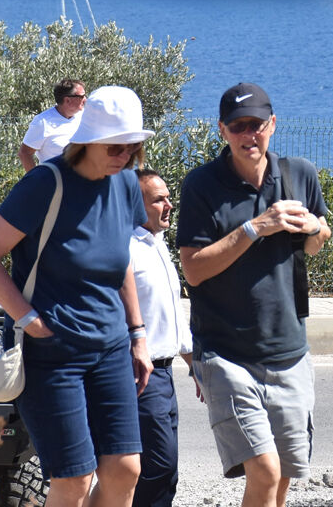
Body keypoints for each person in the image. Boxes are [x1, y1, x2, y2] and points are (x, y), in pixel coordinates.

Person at [0, 86, 156, 507]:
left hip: (110, 347)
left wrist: (138, 334)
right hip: (52, 354)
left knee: (126, 469)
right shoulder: (45, 183)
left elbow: (120, 258)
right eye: (114, 146)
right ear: (86, 141)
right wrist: (28, 320)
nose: (124, 155)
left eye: (131, 146)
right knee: (74, 479)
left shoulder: (127, 184)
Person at [176, 82, 331, 507]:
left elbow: (319, 237)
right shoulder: (202, 186)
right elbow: (193, 270)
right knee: (264, 470)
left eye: (257, 125)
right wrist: (255, 227)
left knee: (283, 476)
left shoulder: (300, 174)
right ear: (223, 131)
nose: (250, 135)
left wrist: (314, 230)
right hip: (226, 354)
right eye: (239, 127)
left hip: (290, 351)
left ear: (273, 125)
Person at [130, 168, 198, 507]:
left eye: (169, 198)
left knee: (164, 470)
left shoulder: (157, 245)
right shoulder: (127, 249)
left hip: (166, 375)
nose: (169, 205)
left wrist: (193, 363)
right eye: (159, 200)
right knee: (157, 465)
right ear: (135, 204)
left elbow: (171, 317)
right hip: (142, 377)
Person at [20, 78, 87, 171]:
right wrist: (37, 180)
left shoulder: (85, 116)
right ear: (67, 100)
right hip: (56, 181)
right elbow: (24, 153)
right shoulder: (43, 122)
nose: (85, 99)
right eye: (82, 96)